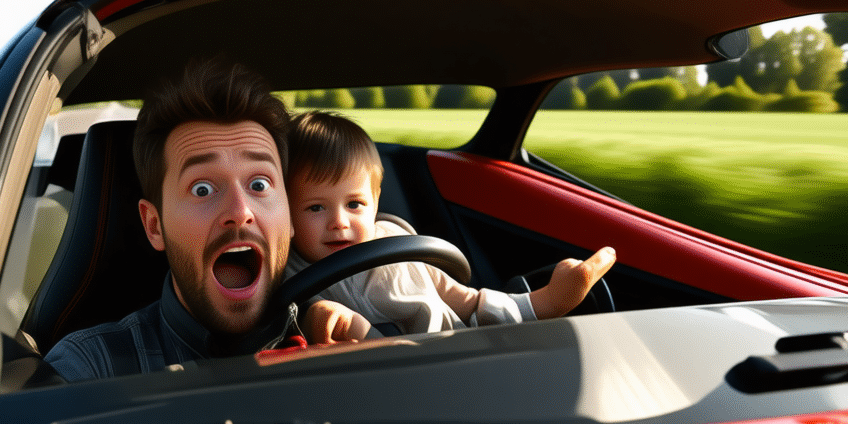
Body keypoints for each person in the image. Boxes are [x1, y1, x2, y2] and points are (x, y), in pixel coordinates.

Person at [44, 60, 361, 381]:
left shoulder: (347, 340)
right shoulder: (92, 368)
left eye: (259, 185)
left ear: (290, 215)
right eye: (202, 188)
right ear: (155, 225)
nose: (240, 211)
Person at [285, 110, 616, 339]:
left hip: (451, 362)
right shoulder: (286, 270)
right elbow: (280, 326)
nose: (339, 223)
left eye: (354, 204)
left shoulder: (400, 246)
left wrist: (546, 302)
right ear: (284, 211)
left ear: (375, 201)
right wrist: (317, 318)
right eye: (315, 207)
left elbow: (469, 303)